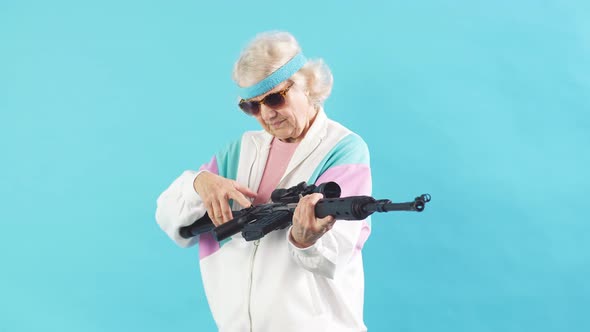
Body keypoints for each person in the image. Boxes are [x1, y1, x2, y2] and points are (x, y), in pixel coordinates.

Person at [156, 31, 372, 332]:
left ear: (307, 84)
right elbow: (169, 218)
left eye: (275, 97)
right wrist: (199, 183)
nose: (266, 114)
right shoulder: (238, 151)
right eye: (252, 106)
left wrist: (304, 239)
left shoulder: (343, 149)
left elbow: (336, 255)